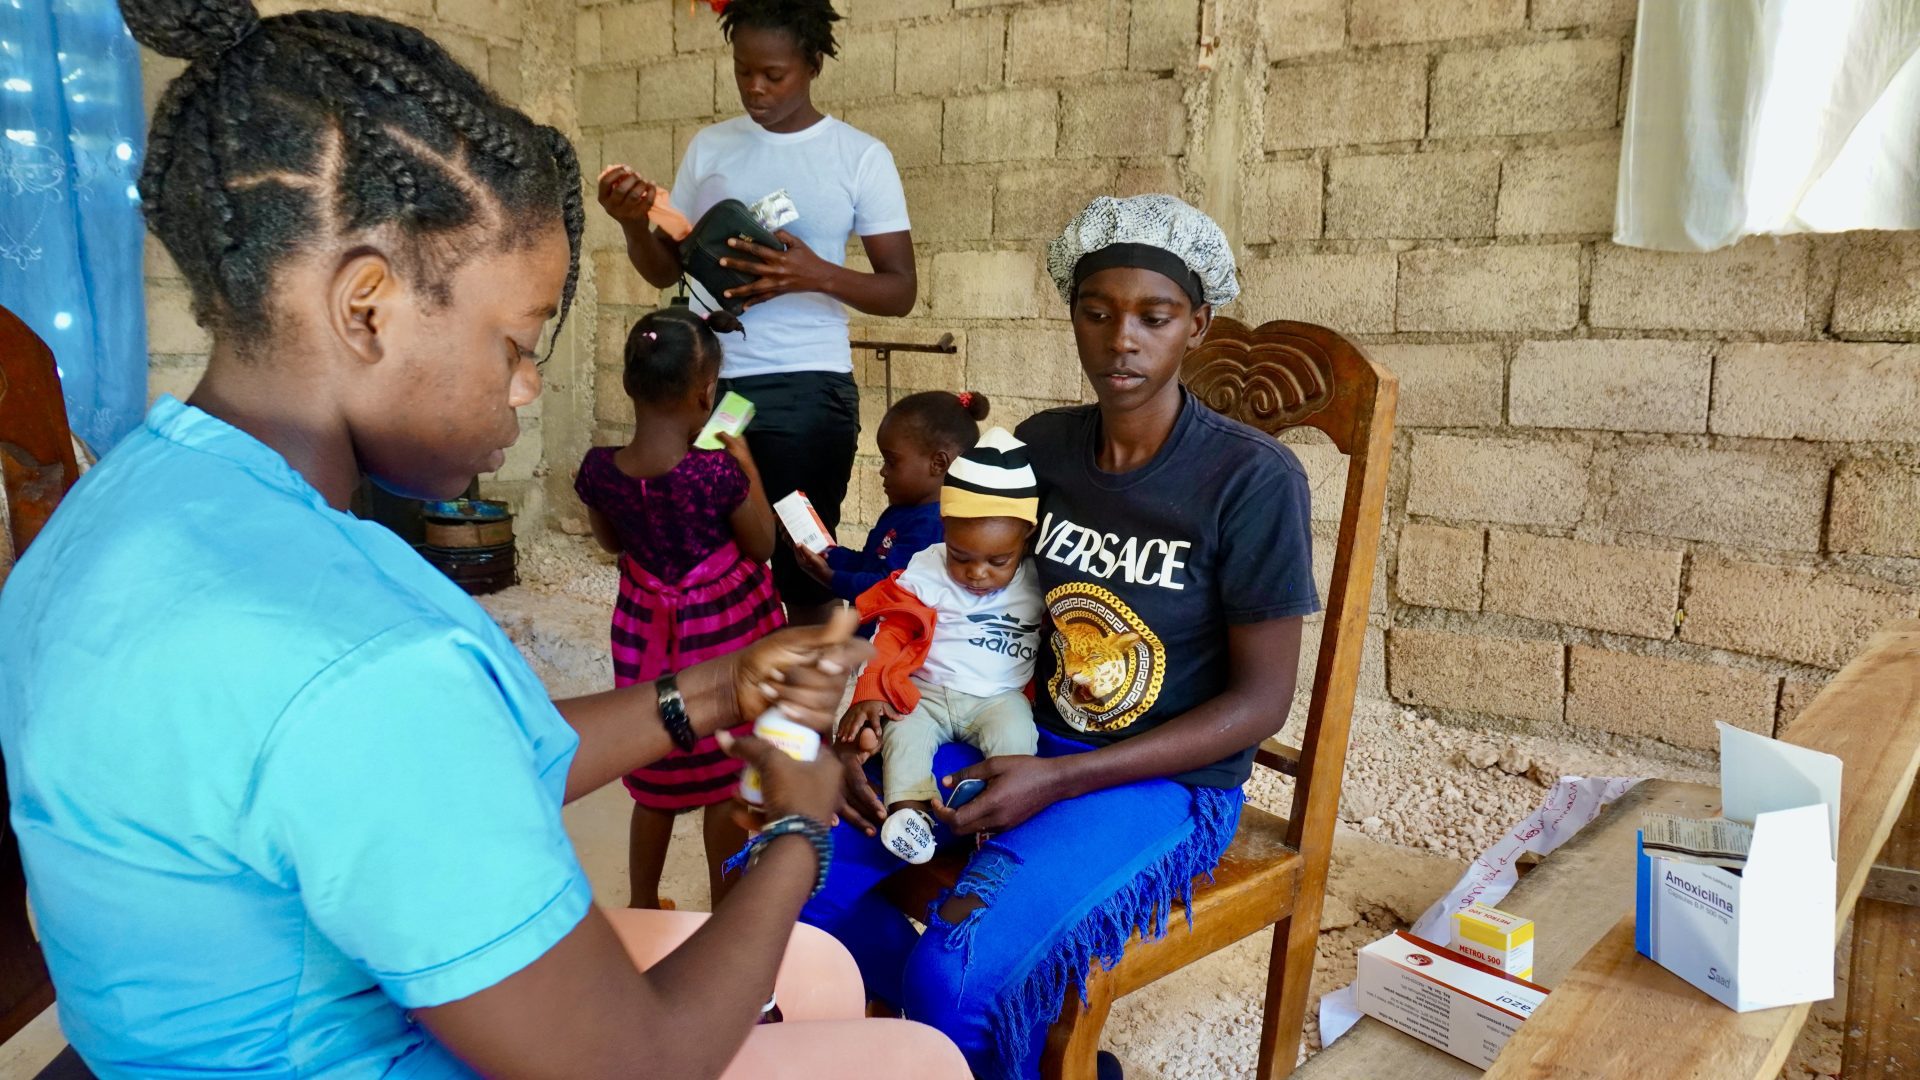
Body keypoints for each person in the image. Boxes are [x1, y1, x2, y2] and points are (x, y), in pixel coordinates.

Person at [0, 3, 967, 1076]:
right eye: (514, 342)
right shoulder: (362, 658)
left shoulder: (126, 502)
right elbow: (636, 1064)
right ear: (366, 306)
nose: (526, 389)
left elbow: (445, 763)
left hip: (175, 1032)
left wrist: (719, 685)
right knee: (920, 1057)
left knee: (822, 978)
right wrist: (795, 832)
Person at [801, 194, 1320, 1079]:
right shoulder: (1041, 448)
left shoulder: (1252, 480)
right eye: (1097, 311)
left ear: (1196, 323)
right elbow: (954, 600)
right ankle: (1013, 1060)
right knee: (797, 876)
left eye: (1154, 316)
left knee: (953, 974)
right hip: (1016, 729)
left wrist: (1064, 776)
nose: (1123, 339)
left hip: (1168, 782)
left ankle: (981, 1044)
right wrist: (883, 707)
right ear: (1072, 315)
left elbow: (1262, 701)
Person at [597, 0, 915, 627]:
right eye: (744, 71)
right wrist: (635, 226)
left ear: (813, 63)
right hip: (717, 393)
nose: (756, 88)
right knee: (706, 551)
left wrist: (814, 274)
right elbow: (669, 267)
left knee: (804, 559)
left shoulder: (858, 156)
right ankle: (726, 699)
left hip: (805, 392)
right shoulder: (712, 146)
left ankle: (801, 722)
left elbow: (899, 290)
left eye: (775, 74)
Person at [575, 307, 782, 912]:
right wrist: (745, 464)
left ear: (628, 384)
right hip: (723, 629)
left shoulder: (597, 470)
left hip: (647, 634)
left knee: (654, 766)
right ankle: (722, 905)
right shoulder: (716, 472)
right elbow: (763, 544)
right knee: (723, 780)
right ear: (705, 392)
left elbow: (612, 543)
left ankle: (643, 903)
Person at [834, 428, 1043, 864]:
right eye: (961, 556)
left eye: (996, 561)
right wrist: (870, 688)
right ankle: (909, 816)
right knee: (903, 736)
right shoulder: (927, 568)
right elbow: (892, 630)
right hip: (927, 691)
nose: (976, 572)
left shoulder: (1040, 579)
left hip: (998, 698)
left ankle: (999, 822)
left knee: (1017, 738)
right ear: (944, 529)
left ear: (1025, 537)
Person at [795, 389, 990, 604]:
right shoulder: (902, 512)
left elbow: (891, 587)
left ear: (938, 464)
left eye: (891, 461)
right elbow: (869, 564)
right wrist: (824, 552)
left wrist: (830, 578)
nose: (883, 471)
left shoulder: (933, 526)